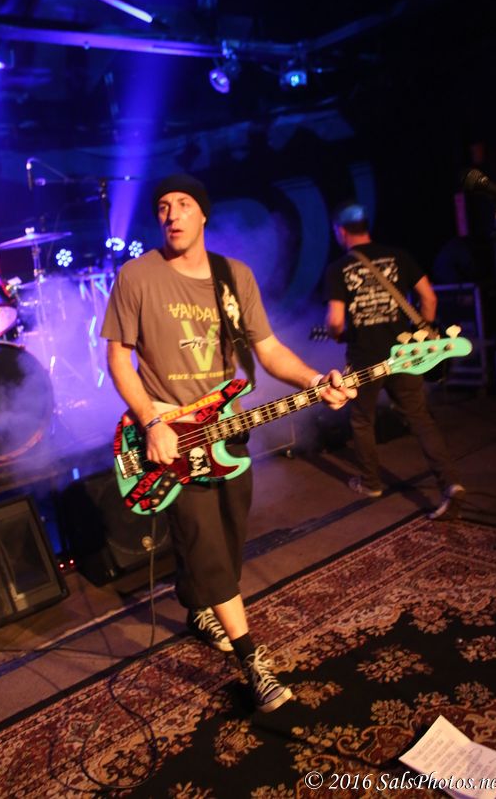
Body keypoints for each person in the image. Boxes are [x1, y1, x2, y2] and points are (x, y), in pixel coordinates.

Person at [101, 173, 355, 714]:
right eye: (163, 206)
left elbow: (268, 349)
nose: (172, 214)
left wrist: (315, 381)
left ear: (203, 214)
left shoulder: (233, 276)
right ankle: (252, 662)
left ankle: (199, 604)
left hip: (227, 431)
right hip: (170, 437)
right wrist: (151, 420)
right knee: (206, 541)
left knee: (230, 536)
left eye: (183, 204)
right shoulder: (137, 276)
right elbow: (118, 357)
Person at [323, 201, 465, 521]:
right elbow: (429, 297)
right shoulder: (399, 256)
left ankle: (371, 483)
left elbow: (335, 321)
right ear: (366, 225)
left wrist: (338, 335)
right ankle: (451, 483)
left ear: (340, 231)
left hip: (365, 359)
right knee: (420, 418)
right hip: (405, 354)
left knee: (362, 419)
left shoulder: (338, 268)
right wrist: (423, 337)